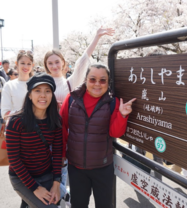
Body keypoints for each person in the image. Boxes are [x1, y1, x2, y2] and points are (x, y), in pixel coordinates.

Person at [44, 27, 115, 207]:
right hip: (45, 139)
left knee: (67, 188)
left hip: (67, 144)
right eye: (50, 63)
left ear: (64, 64)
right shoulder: (41, 85)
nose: (54, 66)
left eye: (57, 62)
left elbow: (84, 61)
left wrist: (96, 37)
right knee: (48, 188)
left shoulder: (70, 84)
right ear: (45, 66)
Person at [60, 64, 136, 208]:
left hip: (102, 167)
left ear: (108, 83)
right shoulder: (71, 99)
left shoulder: (113, 102)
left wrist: (122, 115)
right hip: (76, 167)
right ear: (86, 80)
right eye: (92, 79)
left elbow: (115, 133)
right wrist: (62, 154)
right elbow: (62, 128)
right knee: (78, 205)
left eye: (103, 80)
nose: (97, 84)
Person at [6, 73, 62, 208]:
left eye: (47, 91)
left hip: (46, 173)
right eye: (37, 90)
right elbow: (14, 158)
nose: (43, 95)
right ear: (30, 95)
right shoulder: (16, 121)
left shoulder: (55, 120)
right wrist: (35, 188)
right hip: (21, 178)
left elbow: (57, 152)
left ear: (52, 96)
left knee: (57, 201)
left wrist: (56, 183)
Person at [1, 51, 34, 119]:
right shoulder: (9, 86)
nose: (26, 66)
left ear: (32, 65)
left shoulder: (37, 85)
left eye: (29, 64)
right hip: (15, 127)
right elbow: (5, 113)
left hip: (36, 127)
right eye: (22, 63)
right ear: (17, 64)